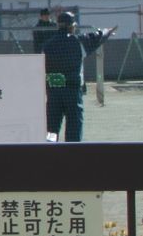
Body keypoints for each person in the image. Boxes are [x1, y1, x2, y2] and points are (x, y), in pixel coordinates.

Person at [42, 10, 115, 142]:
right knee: (74, 129)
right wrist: (107, 31)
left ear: (58, 25)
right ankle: (72, 155)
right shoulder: (78, 42)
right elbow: (97, 37)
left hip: (53, 92)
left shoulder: (47, 45)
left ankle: (49, 151)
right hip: (72, 92)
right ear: (72, 26)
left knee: (51, 129)